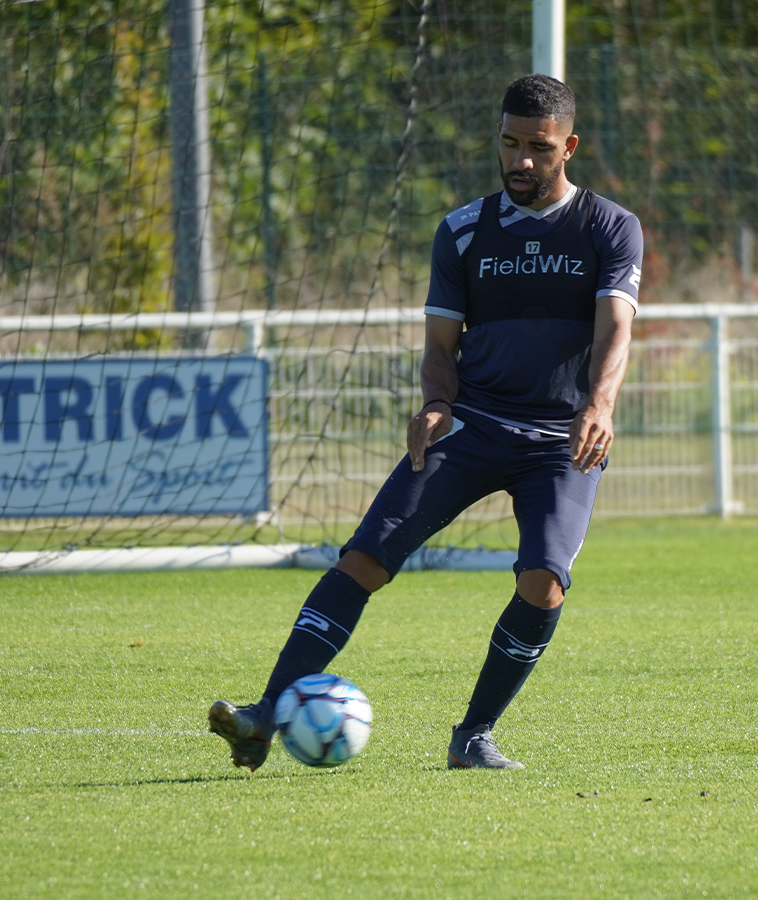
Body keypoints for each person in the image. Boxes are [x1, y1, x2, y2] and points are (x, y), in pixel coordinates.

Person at [209, 74, 643, 771]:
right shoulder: (464, 231)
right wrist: (437, 404)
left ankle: (473, 736)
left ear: (570, 146)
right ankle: (264, 714)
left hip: (561, 439)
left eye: (538, 147)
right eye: (509, 144)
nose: (520, 161)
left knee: (544, 581)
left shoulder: (609, 227)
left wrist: (599, 406)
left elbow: (616, 330)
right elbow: (441, 350)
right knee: (363, 560)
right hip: (472, 424)